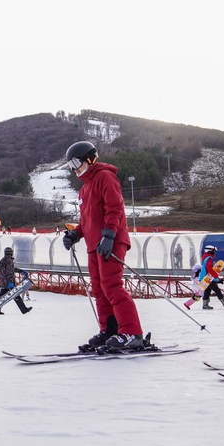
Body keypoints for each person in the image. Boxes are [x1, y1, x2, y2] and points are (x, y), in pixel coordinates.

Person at [62, 141, 145, 351]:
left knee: (112, 286)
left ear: (90, 159)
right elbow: (87, 221)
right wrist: (75, 234)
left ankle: (131, 332)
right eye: (70, 166)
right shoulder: (84, 190)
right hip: (94, 246)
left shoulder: (105, 177)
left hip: (111, 242)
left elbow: (115, 208)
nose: (74, 169)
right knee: (99, 290)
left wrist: (109, 235)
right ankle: (110, 330)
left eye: (76, 163)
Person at [0, 247, 32, 315]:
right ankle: (24, 309)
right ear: (11, 253)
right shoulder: (9, 261)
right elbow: (9, 272)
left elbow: (11, 269)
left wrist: (21, 271)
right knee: (16, 295)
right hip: (8, 282)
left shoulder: (3, 260)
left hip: (3, 282)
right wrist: (10, 282)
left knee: (2, 297)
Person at [198, 245, 224, 309]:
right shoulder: (209, 259)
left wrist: (217, 279)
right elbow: (210, 269)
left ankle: (205, 305)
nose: (214, 252)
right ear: (209, 251)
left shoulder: (206, 258)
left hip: (205, 277)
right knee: (217, 290)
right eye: (213, 251)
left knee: (207, 291)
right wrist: (216, 277)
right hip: (207, 278)